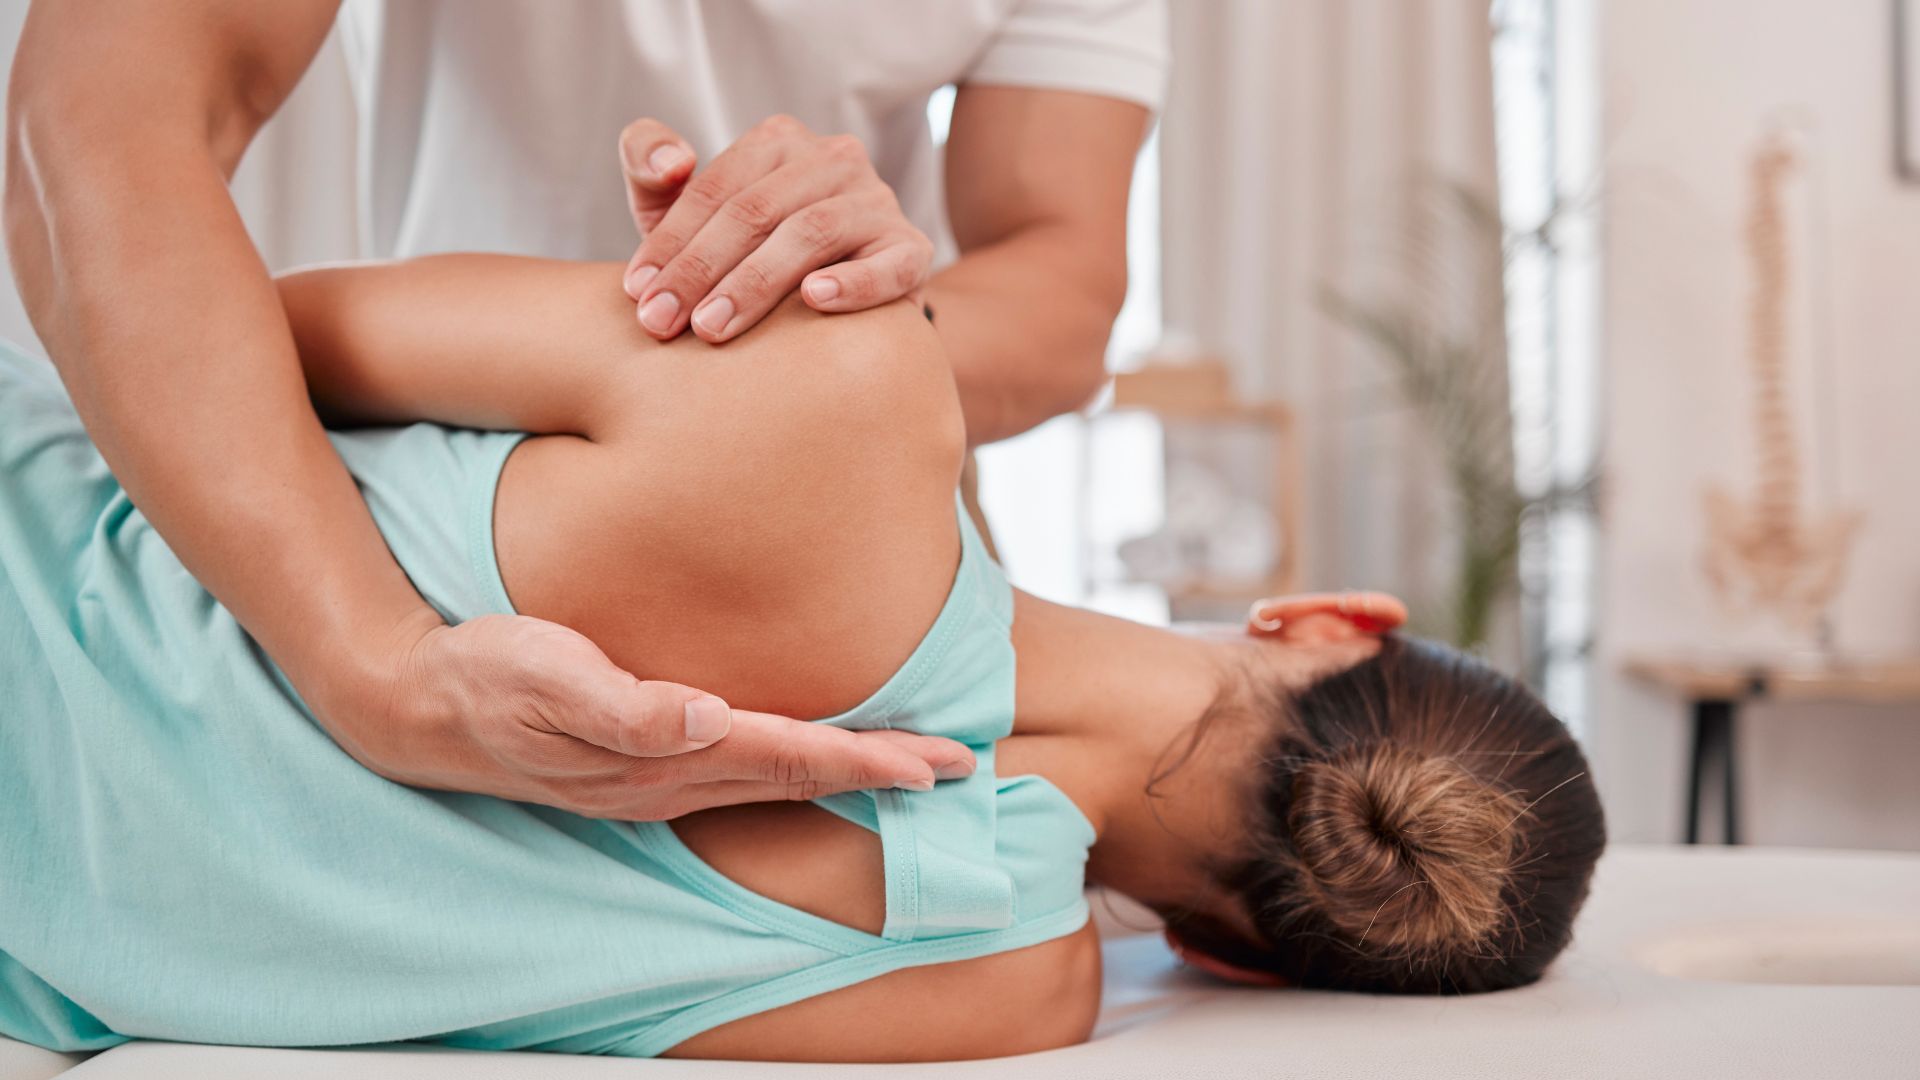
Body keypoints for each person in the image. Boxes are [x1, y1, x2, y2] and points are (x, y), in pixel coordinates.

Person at [0, 255, 1607, 1063]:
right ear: (1236, 959)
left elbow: (193, 334)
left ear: (1334, 622)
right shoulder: (1005, 999)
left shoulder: (832, 406)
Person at [2, 0, 1162, 819]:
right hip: (424, 496)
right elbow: (100, 110)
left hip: (839, 516)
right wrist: (371, 663)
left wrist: (820, 361)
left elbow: (1058, 285)